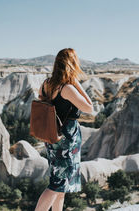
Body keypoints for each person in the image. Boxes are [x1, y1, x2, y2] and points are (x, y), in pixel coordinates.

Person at [35, 48, 94, 211]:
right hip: (66, 139)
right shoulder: (67, 88)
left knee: (62, 185)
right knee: (58, 184)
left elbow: (44, 103)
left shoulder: (46, 84)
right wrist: (75, 82)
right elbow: (89, 107)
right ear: (72, 65)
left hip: (52, 136)